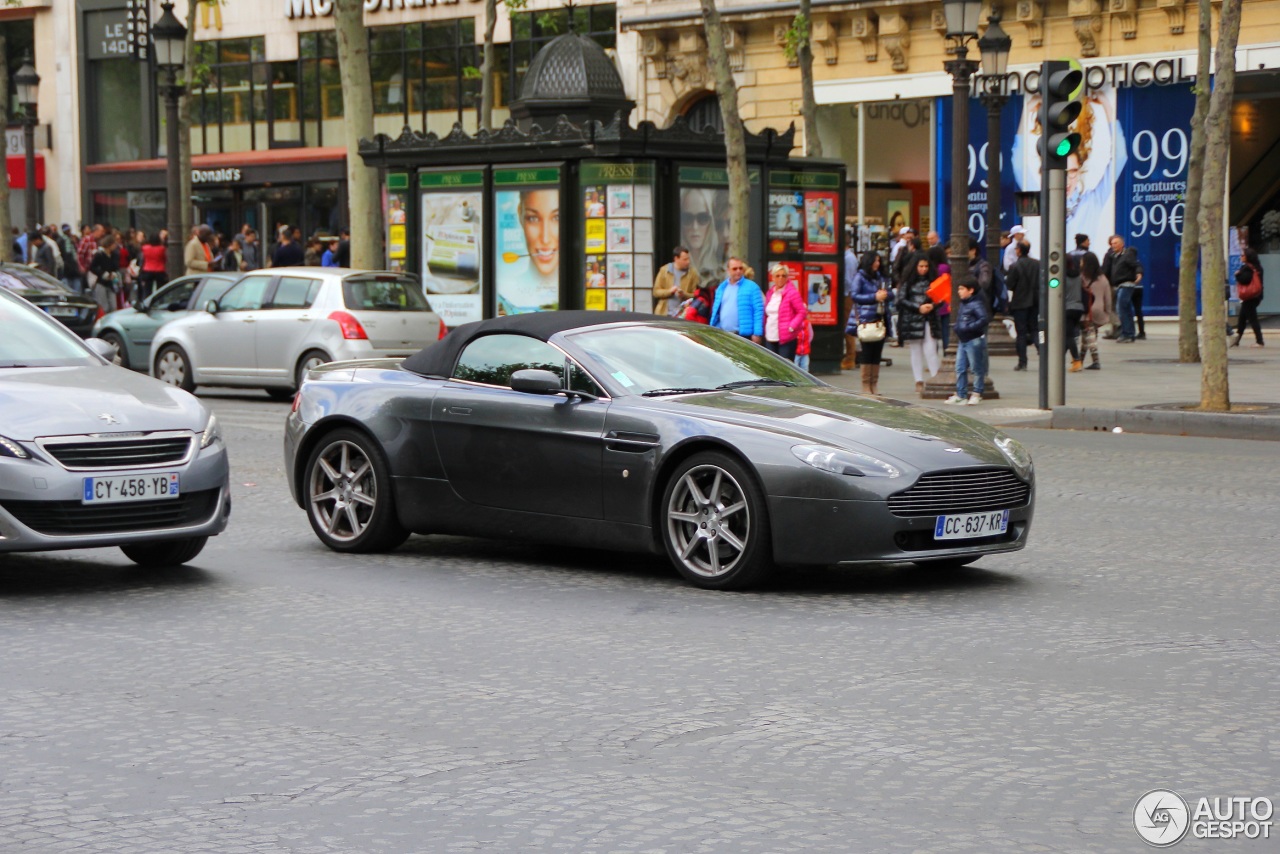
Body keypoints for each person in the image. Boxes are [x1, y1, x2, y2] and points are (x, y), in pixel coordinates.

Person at [847, 250, 893, 394]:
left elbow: (890, 292)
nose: (877, 264)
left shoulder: (880, 277)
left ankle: (874, 383)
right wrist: (874, 297)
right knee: (867, 352)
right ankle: (866, 384)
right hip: (866, 318)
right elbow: (855, 295)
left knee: (876, 353)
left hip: (880, 317)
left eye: (879, 261)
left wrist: (885, 295)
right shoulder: (860, 277)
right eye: (875, 261)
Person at [897, 252, 942, 396]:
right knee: (916, 350)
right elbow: (901, 299)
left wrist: (932, 306)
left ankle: (934, 378)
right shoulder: (907, 282)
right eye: (921, 266)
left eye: (926, 266)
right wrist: (919, 307)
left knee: (931, 350)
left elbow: (940, 298)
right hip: (914, 317)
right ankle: (919, 380)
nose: (923, 269)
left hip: (926, 317)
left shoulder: (932, 280)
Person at [947, 278, 990, 405]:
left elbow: (983, 318)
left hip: (973, 339)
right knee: (960, 367)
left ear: (970, 290)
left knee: (976, 368)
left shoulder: (976, 304)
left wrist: (968, 328)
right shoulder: (964, 303)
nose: (959, 291)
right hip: (964, 339)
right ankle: (961, 394)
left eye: (962, 289)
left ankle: (976, 393)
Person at [1005, 240, 1041, 370]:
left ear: (1019, 250)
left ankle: (1022, 362)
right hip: (1035, 301)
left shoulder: (1014, 266)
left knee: (1021, 333)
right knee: (1035, 328)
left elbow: (1010, 285)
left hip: (1020, 302)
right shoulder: (1037, 264)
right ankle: (1041, 348)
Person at [710, 257, 764, 342]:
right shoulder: (721, 288)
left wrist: (757, 333)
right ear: (728, 270)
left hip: (744, 336)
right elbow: (716, 311)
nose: (738, 271)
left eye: (740, 268)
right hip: (724, 334)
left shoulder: (752, 287)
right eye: (735, 269)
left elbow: (758, 311)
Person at [762, 264, 807, 361]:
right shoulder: (770, 293)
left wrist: (791, 327)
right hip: (770, 336)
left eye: (783, 275)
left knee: (785, 366)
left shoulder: (792, 293)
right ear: (773, 278)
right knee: (771, 365)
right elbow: (766, 313)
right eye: (777, 276)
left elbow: (802, 312)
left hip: (786, 337)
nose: (780, 278)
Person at [1104, 234, 1143, 343]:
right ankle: (1129, 333)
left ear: (1122, 244)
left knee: (1121, 307)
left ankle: (1127, 333)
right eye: (1112, 244)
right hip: (1118, 285)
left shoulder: (1127, 255)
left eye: (1115, 243)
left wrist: (1139, 273)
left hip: (1126, 284)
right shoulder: (1114, 256)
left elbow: (1136, 265)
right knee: (1125, 309)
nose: (1113, 245)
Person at [680, 188, 724, 285]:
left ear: (711, 221)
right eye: (688, 218)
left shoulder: (720, 265)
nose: (695, 227)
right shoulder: (675, 265)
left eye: (702, 218)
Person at [1080, 251, 1111, 370]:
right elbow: (1108, 298)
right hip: (1099, 309)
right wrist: (1107, 312)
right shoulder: (1103, 278)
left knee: (1088, 334)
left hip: (1087, 309)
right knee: (1088, 335)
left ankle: (1095, 360)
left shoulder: (1082, 277)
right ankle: (1080, 360)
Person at [652, 245, 699, 317]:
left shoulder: (692, 273)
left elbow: (696, 295)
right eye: (685, 259)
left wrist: (684, 294)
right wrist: (670, 291)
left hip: (683, 315)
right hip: (664, 314)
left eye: (688, 259)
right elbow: (656, 292)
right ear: (676, 259)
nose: (688, 262)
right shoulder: (664, 270)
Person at [1233, 247, 1265, 347]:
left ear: (1248, 257)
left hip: (1249, 297)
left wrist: (1237, 275)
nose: (1241, 257)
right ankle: (1236, 340)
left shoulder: (1248, 268)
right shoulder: (1258, 267)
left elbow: (1244, 280)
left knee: (1252, 319)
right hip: (1256, 295)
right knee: (1242, 318)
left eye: (1243, 255)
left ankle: (1259, 341)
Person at [88, 232, 121, 316]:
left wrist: (114, 273)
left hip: (111, 282)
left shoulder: (115, 255)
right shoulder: (99, 255)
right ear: (109, 244)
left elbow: (116, 267)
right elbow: (92, 267)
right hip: (102, 282)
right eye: (114, 244)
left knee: (113, 306)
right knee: (104, 306)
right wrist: (102, 274)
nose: (115, 246)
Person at [1063, 250, 1085, 372]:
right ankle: (1060, 358)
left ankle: (1077, 360)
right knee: (1069, 334)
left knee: (1068, 335)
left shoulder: (1061, 276)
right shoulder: (1078, 275)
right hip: (1078, 308)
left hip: (1067, 308)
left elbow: (1053, 286)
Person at [926, 245, 951, 349]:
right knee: (946, 331)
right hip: (945, 300)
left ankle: (934, 356)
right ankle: (947, 351)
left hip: (933, 301)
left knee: (933, 333)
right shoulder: (945, 268)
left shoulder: (930, 269)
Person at [138, 232, 168, 301]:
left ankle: (147, 302)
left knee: (147, 289)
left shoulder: (145, 248)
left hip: (148, 270)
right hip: (159, 270)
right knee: (160, 289)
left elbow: (143, 259)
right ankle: (160, 301)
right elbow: (164, 259)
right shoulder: (162, 249)